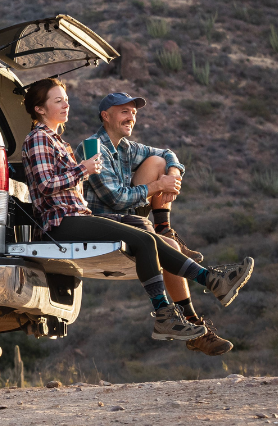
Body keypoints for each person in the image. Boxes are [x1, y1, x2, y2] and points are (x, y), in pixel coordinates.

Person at [20, 77, 254, 342]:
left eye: (66, 100)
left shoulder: (58, 141)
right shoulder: (39, 138)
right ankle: (172, 310)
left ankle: (211, 281)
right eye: (58, 100)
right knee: (144, 239)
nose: (66, 105)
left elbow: (164, 154)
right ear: (40, 109)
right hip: (60, 223)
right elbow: (45, 185)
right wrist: (82, 170)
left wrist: (81, 172)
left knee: (151, 238)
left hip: (76, 218)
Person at [78, 92, 231, 356]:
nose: (131, 116)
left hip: (130, 217)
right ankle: (197, 320)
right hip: (105, 222)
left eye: (133, 112)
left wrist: (171, 175)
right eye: (124, 111)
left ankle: (163, 228)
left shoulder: (126, 148)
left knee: (159, 162)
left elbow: (168, 154)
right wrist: (158, 186)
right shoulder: (92, 147)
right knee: (168, 246)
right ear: (105, 116)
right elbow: (113, 199)